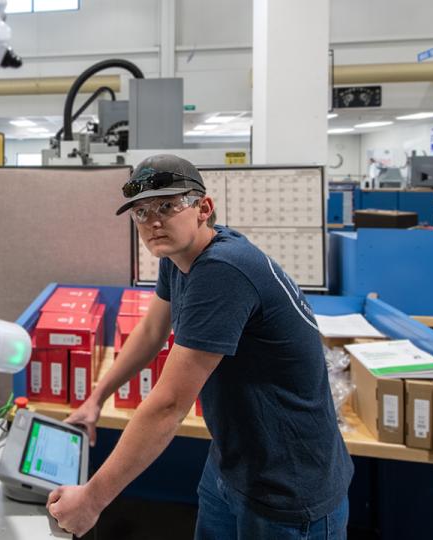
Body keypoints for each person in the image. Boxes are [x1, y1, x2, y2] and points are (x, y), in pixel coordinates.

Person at [46, 155, 353, 539]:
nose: (153, 221)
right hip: (233, 461)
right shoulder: (178, 256)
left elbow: (169, 405)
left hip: (288, 484)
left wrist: (92, 500)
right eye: (141, 213)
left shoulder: (223, 270)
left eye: (167, 206)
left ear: (203, 208)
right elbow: (151, 331)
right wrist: (96, 398)